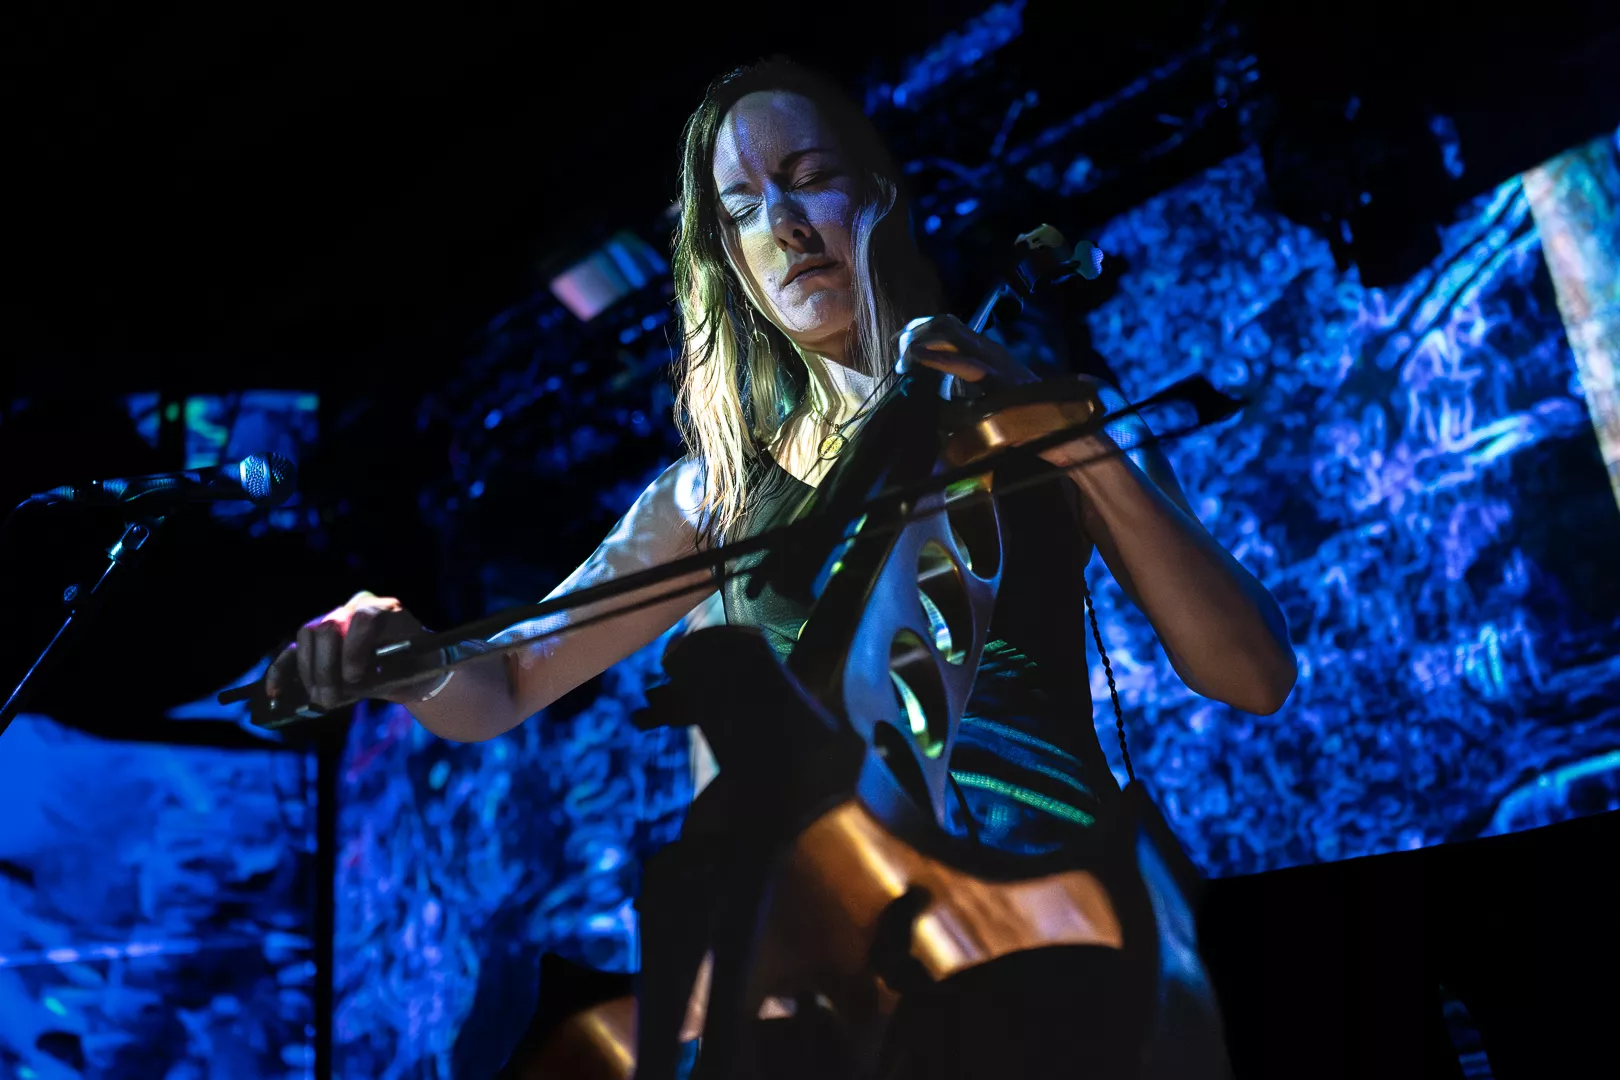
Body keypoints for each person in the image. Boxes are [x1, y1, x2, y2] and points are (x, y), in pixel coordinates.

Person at [265, 57, 1296, 1070]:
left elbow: (1251, 675)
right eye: (743, 209)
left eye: (809, 179)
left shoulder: (1044, 409)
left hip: (1070, 939)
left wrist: (1076, 444)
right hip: (847, 990)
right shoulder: (709, 499)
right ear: (729, 262)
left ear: (879, 193)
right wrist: (411, 659)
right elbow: (505, 680)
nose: (785, 227)